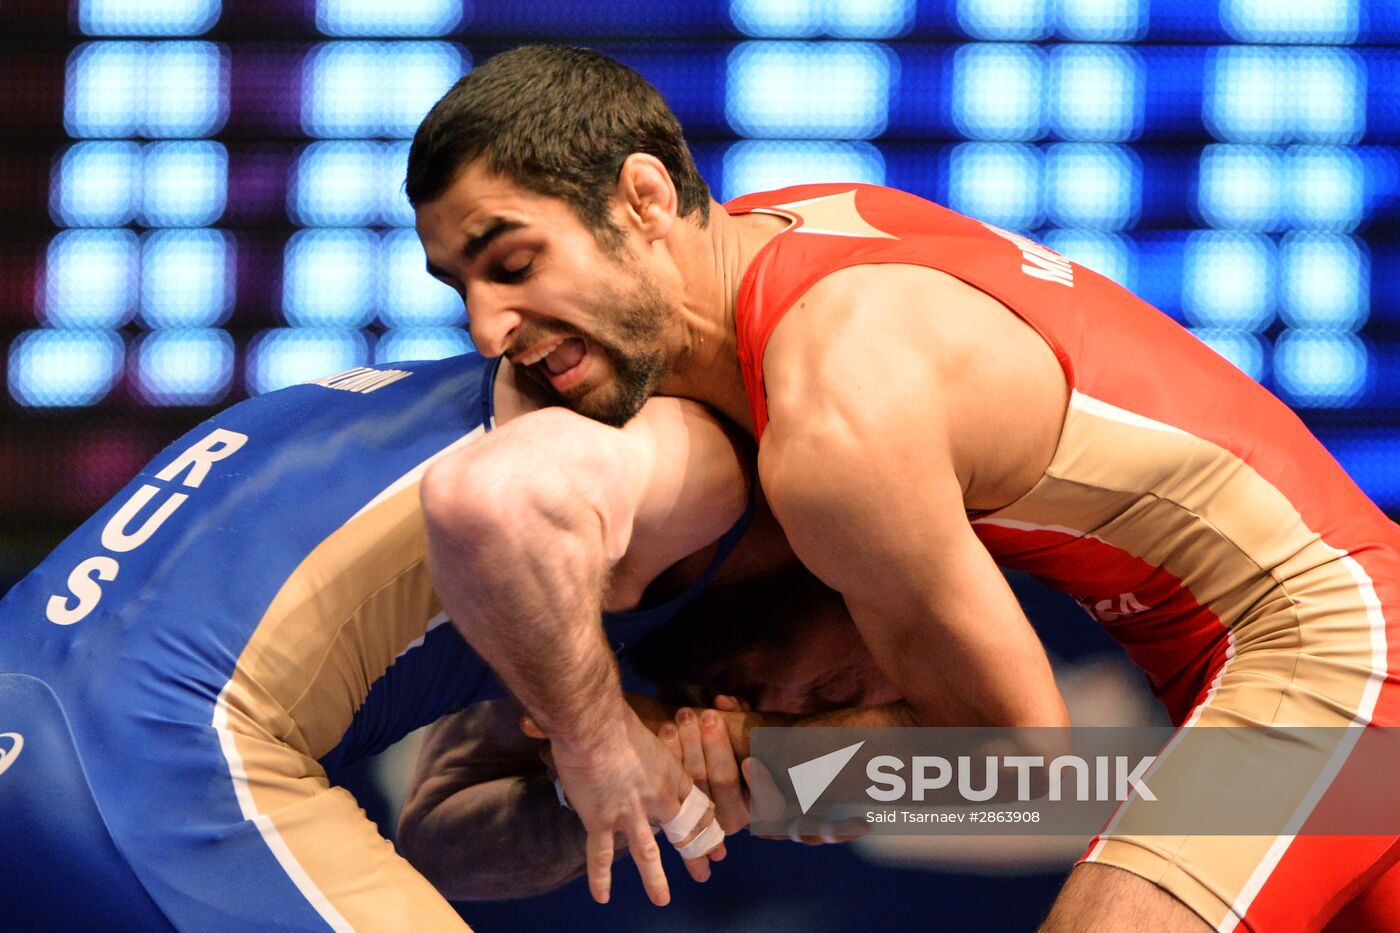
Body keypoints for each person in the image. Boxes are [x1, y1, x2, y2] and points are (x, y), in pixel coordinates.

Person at [407, 44, 1400, 931]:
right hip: (1254, 662)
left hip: (1331, 658)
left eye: (514, 262)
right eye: (461, 285)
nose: (486, 325)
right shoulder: (791, 227)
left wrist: (740, 756)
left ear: (644, 198)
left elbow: (1018, 778)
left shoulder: (839, 418)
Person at [0, 350, 753, 931]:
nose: (777, 707)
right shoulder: (701, 472)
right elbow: (486, 502)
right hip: (161, 754)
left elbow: (442, 838)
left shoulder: (573, 573)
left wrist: (728, 781)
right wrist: (603, 740)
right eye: (829, 698)